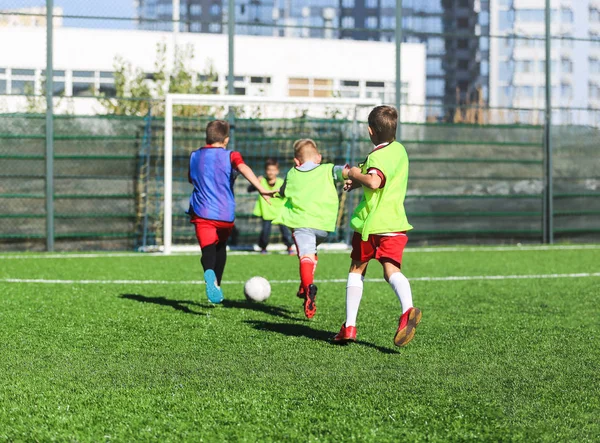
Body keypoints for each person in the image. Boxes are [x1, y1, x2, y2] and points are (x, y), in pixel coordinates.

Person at [333, 105, 422, 347]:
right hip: (394, 224)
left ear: (370, 131)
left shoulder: (376, 156)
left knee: (356, 269)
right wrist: (358, 180)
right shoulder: (400, 151)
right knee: (391, 271)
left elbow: (374, 180)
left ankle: (349, 326)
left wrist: (353, 172)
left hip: (370, 225)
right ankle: (407, 310)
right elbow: (382, 178)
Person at [188, 119, 273, 304]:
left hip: (202, 212)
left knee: (208, 250)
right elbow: (242, 168)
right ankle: (217, 283)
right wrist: (261, 188)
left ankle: (210, 277)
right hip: (225, 214)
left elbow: (191, 179)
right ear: (225, 140)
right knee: (221, 247)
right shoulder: (231, 155)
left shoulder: (194, 156)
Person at [273, 139, 346, 318]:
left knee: (306, 256)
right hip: (324, 226)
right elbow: (346, 171)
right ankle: (304, 285)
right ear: (319, 157)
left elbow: (283, 191)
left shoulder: (292, 173)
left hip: (301, 224)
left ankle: (308, 289)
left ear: (296, 162)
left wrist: (275, 192)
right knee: (311, 254)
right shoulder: (328, 169)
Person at [248, 158, 294, 255]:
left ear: (277, 171)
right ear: (265, 170)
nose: (270, 172)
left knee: (285, 231)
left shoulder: (281, 182)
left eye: (273, 170)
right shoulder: (261, 181)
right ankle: (263, 248)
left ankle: (289, 247)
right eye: (269, 170)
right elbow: (250, 189)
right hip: (266, 211)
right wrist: (255, 182)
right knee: (265, 232)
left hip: (280, 212)